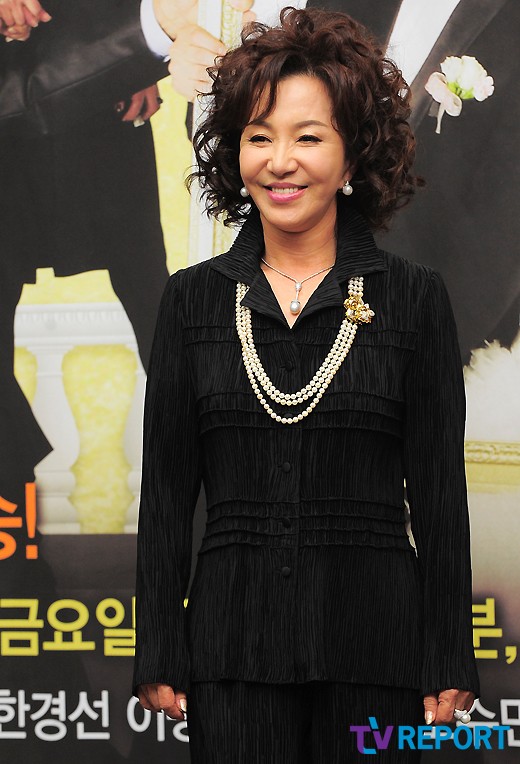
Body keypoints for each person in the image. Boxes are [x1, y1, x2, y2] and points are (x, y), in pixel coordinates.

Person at [133, 7, 480, 762]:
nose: (280, 161)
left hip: (378, 654)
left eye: (308, 137)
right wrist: (157, 643)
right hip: (231, 654)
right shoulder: (192, 301)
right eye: (259, 137)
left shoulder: (414, 298)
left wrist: (450, 651)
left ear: (354, 156)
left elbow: (438, 494)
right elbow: (165, 493)